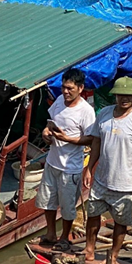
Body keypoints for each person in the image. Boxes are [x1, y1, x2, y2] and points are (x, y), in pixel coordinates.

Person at [82, 76, 132, 264]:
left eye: (129, 96)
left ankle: (113, 256)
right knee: (93, 215)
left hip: (125, 183)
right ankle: (89, 249)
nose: (124, 99)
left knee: (121, 222)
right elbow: (96, 142)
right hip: (101, 179)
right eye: (121, 95)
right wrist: (89, 169)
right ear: (115, 95)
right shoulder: (104, 114)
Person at [35, 68, 95, 251]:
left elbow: (91, 139)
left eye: (70, 88)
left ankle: (64, 236)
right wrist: (46, 132)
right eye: (64, 87)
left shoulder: (86, 111)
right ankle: (51, 233)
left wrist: (68, 139)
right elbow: (49, 122)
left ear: (80, 88)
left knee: (68, 206)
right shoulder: (60, 101)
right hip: (52, 162)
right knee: (47, 201)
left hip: (71, 167)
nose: (66, 92)